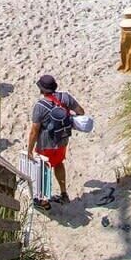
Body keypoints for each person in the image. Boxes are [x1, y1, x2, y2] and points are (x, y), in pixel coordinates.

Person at [26, 74, 84, 210]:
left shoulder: (40, 106)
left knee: (43, 169)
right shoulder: (66, 97)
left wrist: (29, 149)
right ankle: (64, 193)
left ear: (41, 90)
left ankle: (44, 201)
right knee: (58, 164)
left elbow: (34, 131)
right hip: (62, 140)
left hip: (45, 144)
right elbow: (81, 112)